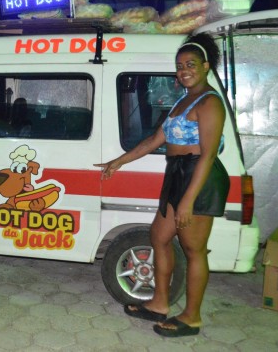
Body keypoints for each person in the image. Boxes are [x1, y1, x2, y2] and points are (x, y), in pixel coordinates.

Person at [94, 32, 229, 337]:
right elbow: (155, 140)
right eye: (180, 66)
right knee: (159, 236)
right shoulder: (183, 100)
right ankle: (159, 303)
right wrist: (119, 161)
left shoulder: (209, 103)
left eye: (191, 64)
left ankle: (192, 318)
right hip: (177, 174)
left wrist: (187, 201)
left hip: (199, 178)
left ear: (205, 66)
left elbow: (208, 155)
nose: (184, 71)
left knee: (194, 250)